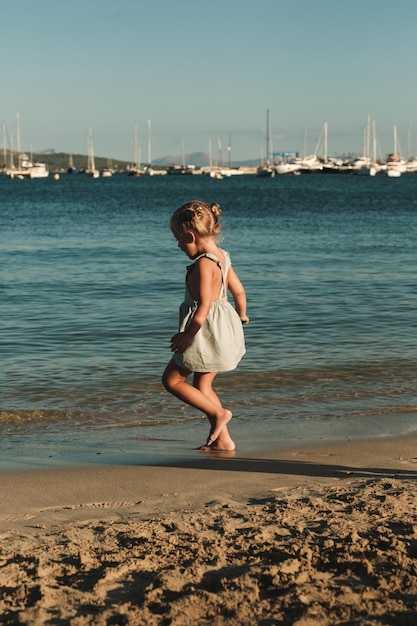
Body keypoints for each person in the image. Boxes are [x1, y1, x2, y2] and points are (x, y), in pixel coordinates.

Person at [162, 200, 248, 451]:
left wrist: (188, 334)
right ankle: (223, 441)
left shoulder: (203, 263)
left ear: (191, 235)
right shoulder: (223, 257)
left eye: (178, 239)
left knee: (171, 381)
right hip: (224, 330)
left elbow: (204, 305)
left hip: (204, 332)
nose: (178, 245)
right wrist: (241, 316)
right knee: (202, 385)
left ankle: (220, 415)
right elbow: (239, 292)